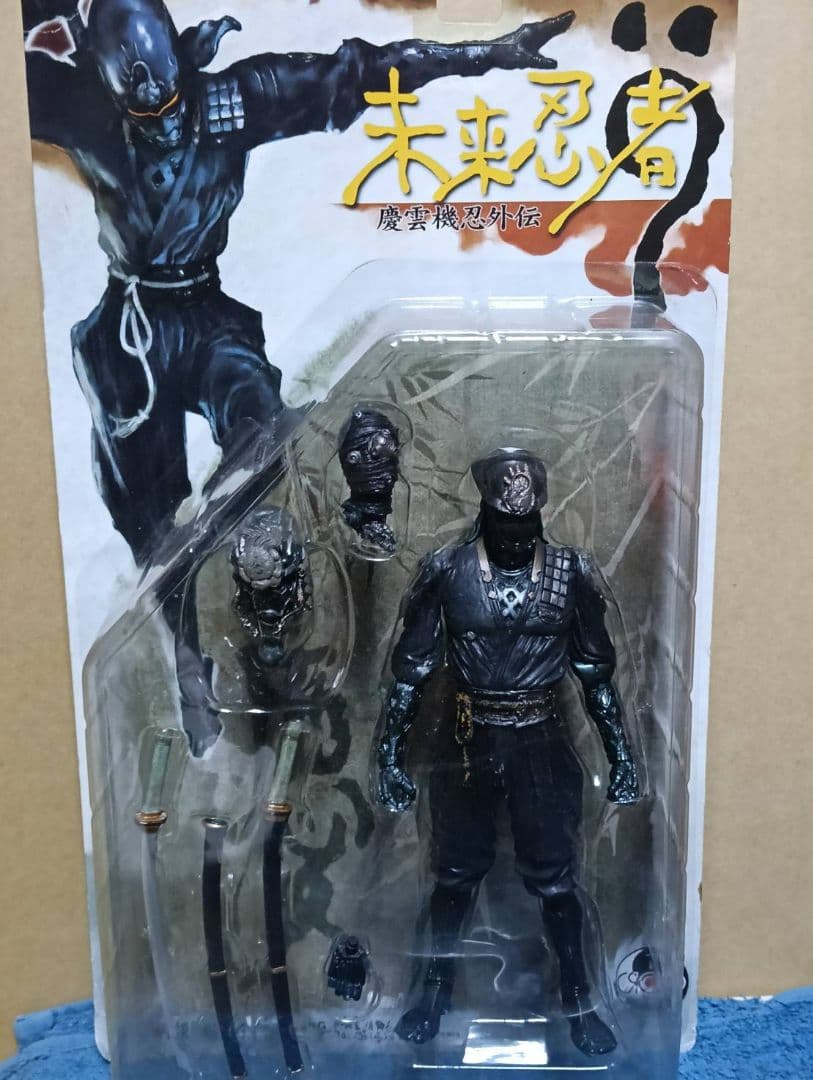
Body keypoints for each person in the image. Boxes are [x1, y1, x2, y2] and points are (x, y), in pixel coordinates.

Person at [376, 447, 639, 1057]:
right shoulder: (447, 570)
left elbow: (595, 673)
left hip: (540, 738)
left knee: (556, 882)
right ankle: (433, 995)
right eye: (506, 521)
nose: (519, 533)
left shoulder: (571, 572)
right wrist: (390, 754)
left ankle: (580, 1001)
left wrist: (621, 757)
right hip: (468, 738)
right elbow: (411, 672)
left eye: (528, 521)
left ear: (540, 512)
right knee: (454, 875)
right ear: (487, 512)